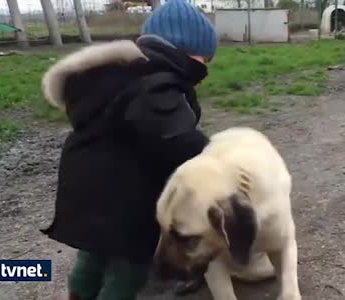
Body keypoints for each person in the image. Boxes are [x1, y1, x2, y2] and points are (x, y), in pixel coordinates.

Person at [40, 0, 217, 299]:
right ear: (184, 50)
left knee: (92, 254)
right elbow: (177, 141)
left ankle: (79, 294)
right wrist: (217, 157)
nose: (206, 67)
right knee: (130, 268)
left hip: (83, 187)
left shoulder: (115, 77)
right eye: (205, 58)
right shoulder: (158, 84)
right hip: (125, 200)